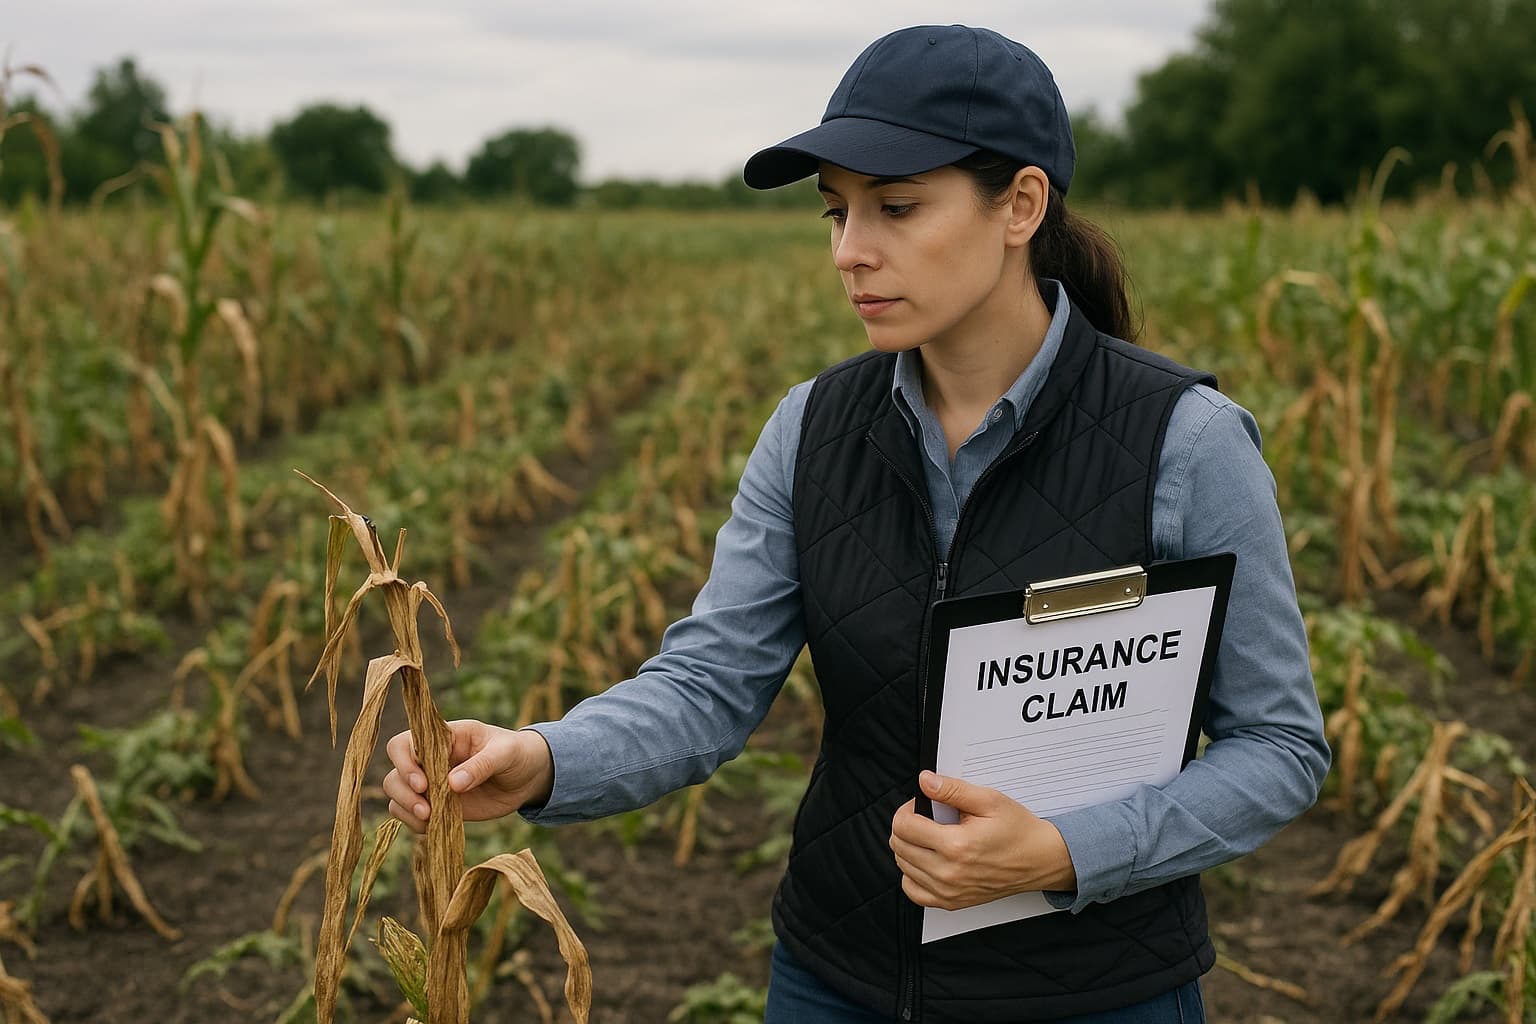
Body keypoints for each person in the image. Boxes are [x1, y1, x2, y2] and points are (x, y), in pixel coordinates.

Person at [383, 24, 1330, 1023]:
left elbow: (1278, 745)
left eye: (897, 207)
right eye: (836, 212)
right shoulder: (813, 427)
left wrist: (1062, 853)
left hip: (1096, 993)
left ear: (1021, 205)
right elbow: (711, 682)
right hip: (836, 980)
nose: (850, 251)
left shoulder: (1185, 441)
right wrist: (542, 759)